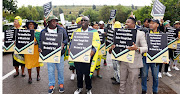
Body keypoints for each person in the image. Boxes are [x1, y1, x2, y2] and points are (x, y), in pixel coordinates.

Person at [116, 17, 148, 94]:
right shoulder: (121, 32)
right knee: (122, 82)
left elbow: (146, 48)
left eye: (128, 22)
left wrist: (137, 48)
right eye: (126, 22)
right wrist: (114, 47)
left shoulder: (140, 34)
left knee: (133, 83)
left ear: (134, 24)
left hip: (134, 63)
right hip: (123, 62)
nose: (126, 23)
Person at [69, 16, 100, 94]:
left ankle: (88, 89)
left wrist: (93, 50)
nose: (83, 21)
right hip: (78, 55)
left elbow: (97, 43)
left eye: (85, 20)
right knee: (79, 73)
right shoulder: (76, 31)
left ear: (88, 22)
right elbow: (72, 42)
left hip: (88, 56)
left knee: (87, 74)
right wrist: (70, 49)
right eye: (82, 20)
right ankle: (79, 88)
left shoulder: (94, 31)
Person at [38, 15, 68, 94]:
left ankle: (61, 84)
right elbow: (41, 41)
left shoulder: (61, 29)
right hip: (49, 54)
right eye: (53, 21)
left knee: (60, 70)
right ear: (49, 22)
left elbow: (66, 39)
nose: (55, 22)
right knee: (50, 70)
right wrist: (40, 48)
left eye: (56, 21)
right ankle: (51, 85)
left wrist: (63, 44)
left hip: (59, 54)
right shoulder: (43, 31)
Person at [141, 19, 163, 94]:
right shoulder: (145, 33)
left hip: (156, 58)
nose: (150, 24)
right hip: (145, 57)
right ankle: (144, 90)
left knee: (155, 76)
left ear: (157, 25)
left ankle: (155, 91)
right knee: (144, 75)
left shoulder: (162, 34)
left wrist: (165, 58)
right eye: (150, 23)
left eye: (153, 23)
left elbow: (164, 47)